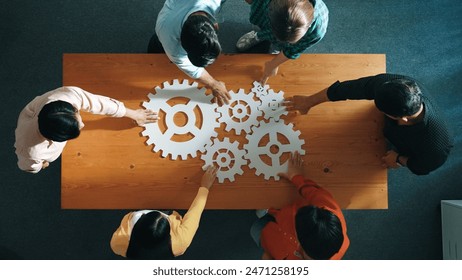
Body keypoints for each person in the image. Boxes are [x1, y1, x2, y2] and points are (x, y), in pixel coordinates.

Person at [284, 74, 454, 175]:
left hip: (407, 149)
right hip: (392, 126)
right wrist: (309, 102)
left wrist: (399, 159)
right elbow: (350, 88)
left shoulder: (437, 146)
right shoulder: (397, 83)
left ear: (403, 119)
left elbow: (421, 168)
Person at [14, 86, 158, 174]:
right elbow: (26, 166)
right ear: (57, 139)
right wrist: (41, 165)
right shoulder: (30, 150)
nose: (83, 124)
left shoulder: (69, 95)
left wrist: (133, 114)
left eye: (77, 115)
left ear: (73, 108)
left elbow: (101, 104)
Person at [250, 151, 349, 260]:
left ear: (298, 239)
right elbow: (314, 192)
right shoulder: (330, 210)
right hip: (279, 215)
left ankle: (265, 214)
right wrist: (296, 177)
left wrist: (268, 257)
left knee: (255, 230)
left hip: (273, 238)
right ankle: (267, 212)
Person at [110, 166, 218, 259]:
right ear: (168, 233)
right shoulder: (180, 242)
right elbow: (195, 213)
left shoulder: (118, 243)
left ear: (136, 227)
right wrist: (205, 187)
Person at [150, 0, 231, 106]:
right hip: (164, 33)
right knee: (155, 53)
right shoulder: (167, 32)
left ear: (215, 27)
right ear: (180, 40)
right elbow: (189, 67)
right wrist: (213, 83)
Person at [236, 0, 329, 85]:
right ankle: (259, 35)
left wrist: (273, 64)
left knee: (281, 44)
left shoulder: (317, 31)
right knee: (265, 29)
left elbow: (294, 50)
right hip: (268, 10)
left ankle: (276, 46)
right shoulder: (268, 7)